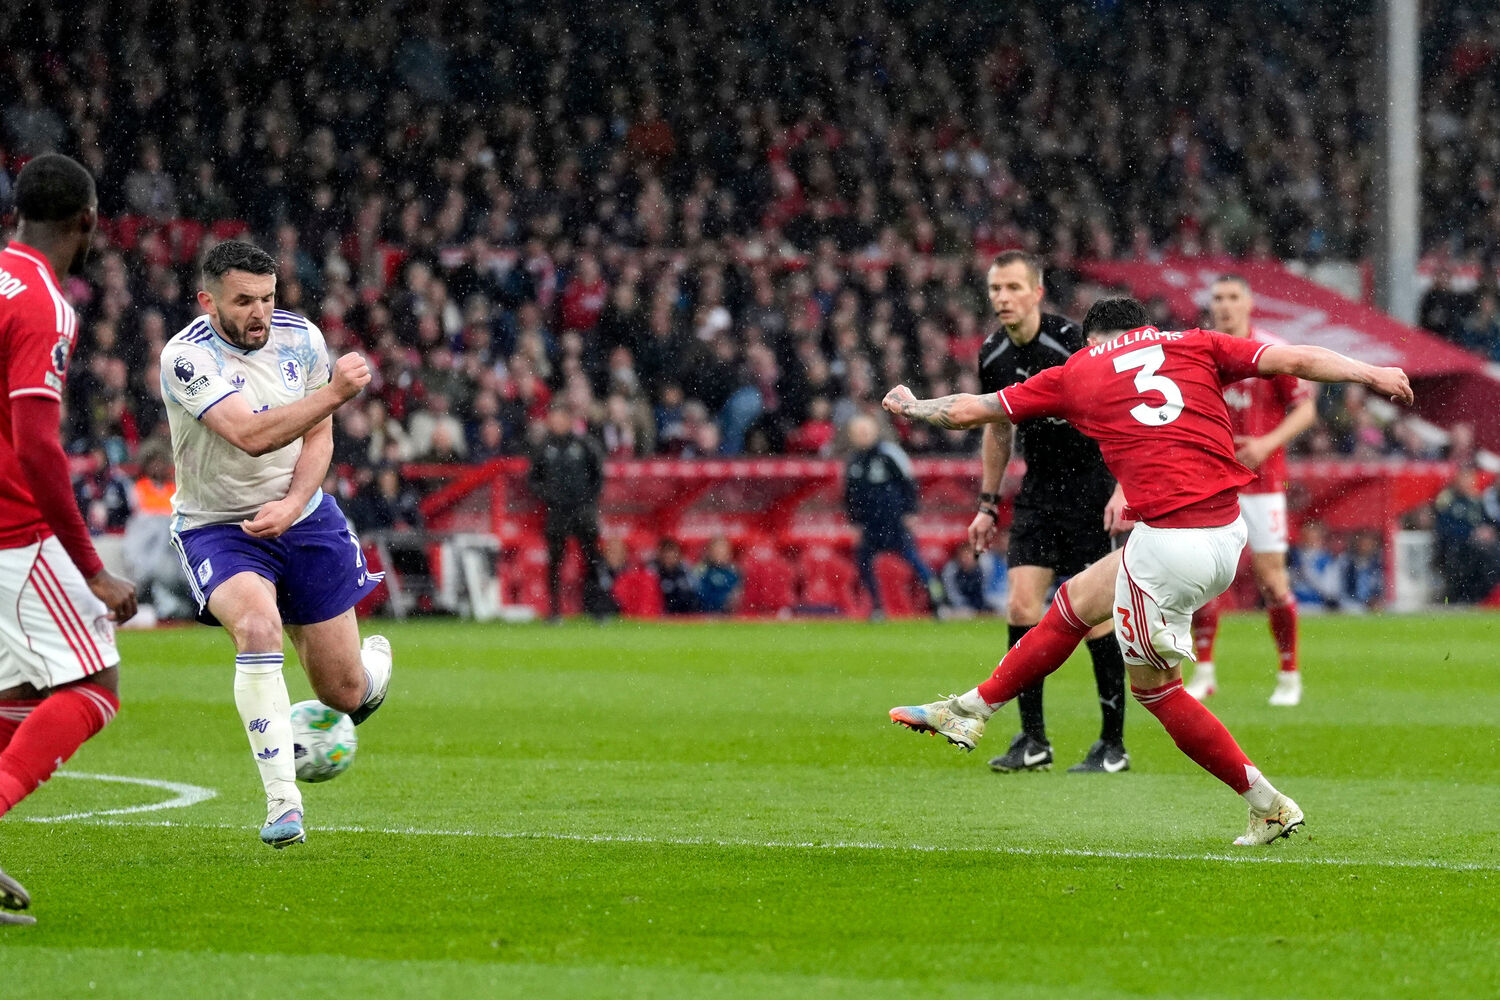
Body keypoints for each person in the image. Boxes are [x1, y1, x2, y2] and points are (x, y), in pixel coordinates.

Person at [884, 296, 1413, 844]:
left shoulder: (1079, 369)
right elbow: (1296, 359)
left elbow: (970, 411)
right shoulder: (1194, 343)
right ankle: (972, 707)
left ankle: (1269, 805)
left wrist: (911, 406)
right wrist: (1370, 372)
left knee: (1158, 692)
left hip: (1169, 546)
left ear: (1092, 339)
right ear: (1144, 328)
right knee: (1074, 603)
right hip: (1226, 532)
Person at [162, 240, 389, 850]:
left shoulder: (302, 338)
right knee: (258, 629)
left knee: (343, 694)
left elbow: (319, 437)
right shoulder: (186, 357)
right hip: (219, 527)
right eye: (243, 301)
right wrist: (335, 392)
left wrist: (291, 504)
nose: (259, 312)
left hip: (304, 516)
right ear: (208, 301)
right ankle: (284, 803)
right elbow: (249, 434)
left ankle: (373, 667)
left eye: (266, 298)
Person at [0, 154, 138, 923]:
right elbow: (38, 447)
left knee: (20, 695)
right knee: (93, 685)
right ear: (87, 221)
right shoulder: (44, 306)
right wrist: (92, 571)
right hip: (15, 531)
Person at [971, 250, 1130, 774]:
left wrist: (1123, 486)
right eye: (996, 289)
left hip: (1091, 489)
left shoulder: (1071, 342)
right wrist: (987, 504)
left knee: (1092, 621)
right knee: (1021, 607)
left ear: (1037, 292)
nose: (1003, 298)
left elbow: (1122, 410)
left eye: (1013, 287)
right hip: (1038, 491)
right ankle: (1033, 740)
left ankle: (1113, 745)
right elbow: (998, 429)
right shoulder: (992, 353)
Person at [1187, 276, 1317, 706]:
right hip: (1211, 482)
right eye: (1218, 298)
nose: (1224, 305)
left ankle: (1289, 675)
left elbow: (1306, 409)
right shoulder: (1199, 353)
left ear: (1249, 303)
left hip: (1262, 483)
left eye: (1232, 297)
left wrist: (1265, 444)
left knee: (1271, 580)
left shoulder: (1270, 351)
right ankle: (1204, 671)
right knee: (1202, 577)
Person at [843, 414, 941, 619]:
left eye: (865, 431)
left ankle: (939, 602)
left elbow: (909, 483)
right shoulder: (853, 461)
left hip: (894, 521)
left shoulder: (890, 453)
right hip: (869, 525)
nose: (862, 436)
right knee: (864, 564)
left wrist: (911, 512)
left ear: (874, 432)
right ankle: (877, 608)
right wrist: (854, 522)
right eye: (858, 432)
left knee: (915, 561)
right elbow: (849, 495)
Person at [528, 403, 607, 621]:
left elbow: (598, 475)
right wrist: (549, 496)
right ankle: (554, 610)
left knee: (591, 560)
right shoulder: (544, 447)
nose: (556, 423)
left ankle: (596, 609)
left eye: (560, 418)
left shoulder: (585, 444)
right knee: (555, 561)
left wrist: (587, 500)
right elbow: (533, 479)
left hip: (583, 512)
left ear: (569, 420)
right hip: (557, 513)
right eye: (553, 419)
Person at [697, 535, 742, 614]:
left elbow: (739, 594)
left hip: (731, 615)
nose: (721, 553)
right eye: (717, 550)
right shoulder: (702, 570)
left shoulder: (735, 571)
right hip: (706, 614)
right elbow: (700, 596)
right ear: (710, 552)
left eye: (724, 550)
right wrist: (723, 601)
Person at [655, 538, 700, 614]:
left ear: (679, 556)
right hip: (662, 614)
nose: (670, 559)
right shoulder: (654, 572)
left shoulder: (686, 571)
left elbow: (695, 592)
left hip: (685, 613)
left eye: (672, 556)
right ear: (661, 556)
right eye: (667, 556)